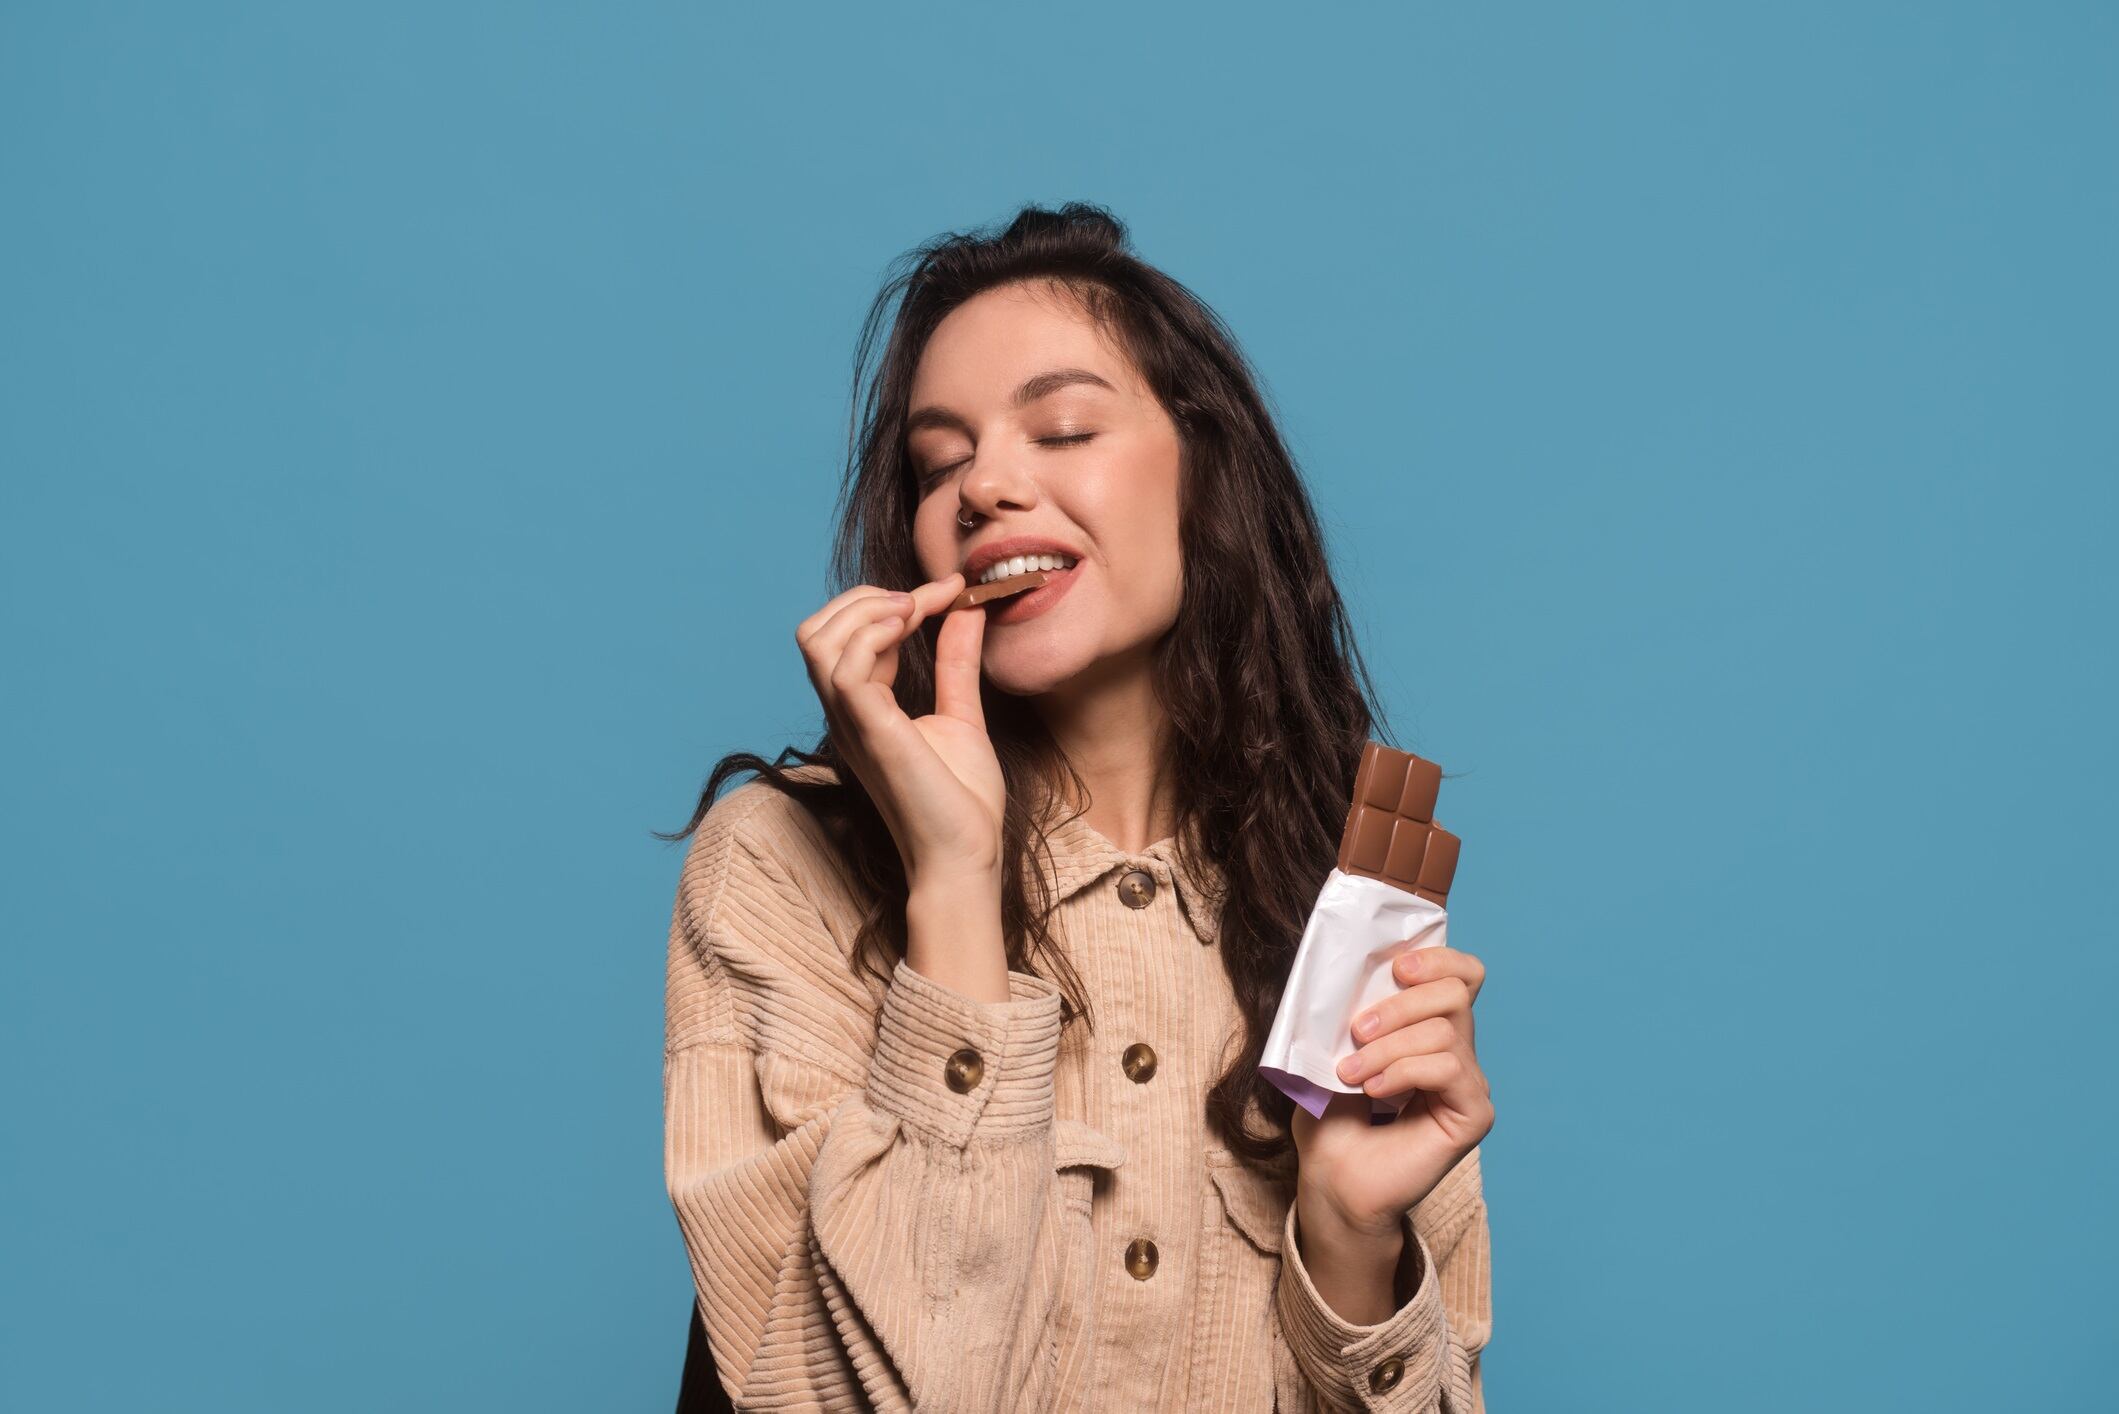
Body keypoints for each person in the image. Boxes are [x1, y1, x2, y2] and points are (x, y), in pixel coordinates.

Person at [659, 202, 1494, 1412]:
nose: (985, 485)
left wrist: (1355, 1242)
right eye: (938, 462)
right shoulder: (780, 863)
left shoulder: (1346, 908)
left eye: (1060, 428)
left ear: (1205, 468)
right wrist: (951, 886)